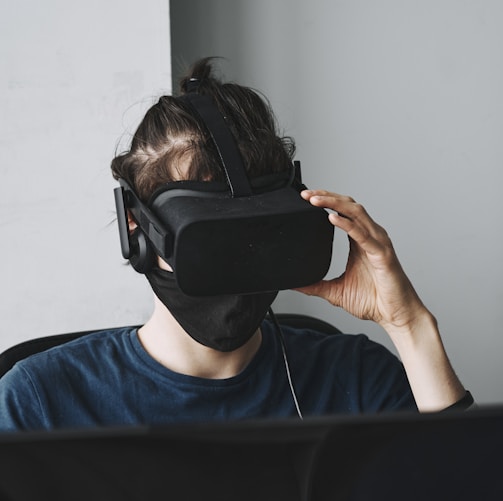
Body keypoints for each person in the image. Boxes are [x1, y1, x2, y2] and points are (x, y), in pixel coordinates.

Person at [0, 58, 472, 431]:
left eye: (255, 232)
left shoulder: (356, 379)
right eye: (210, 237)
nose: (236, 263)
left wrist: (408, 323)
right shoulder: (42, 400)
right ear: (136, 228)